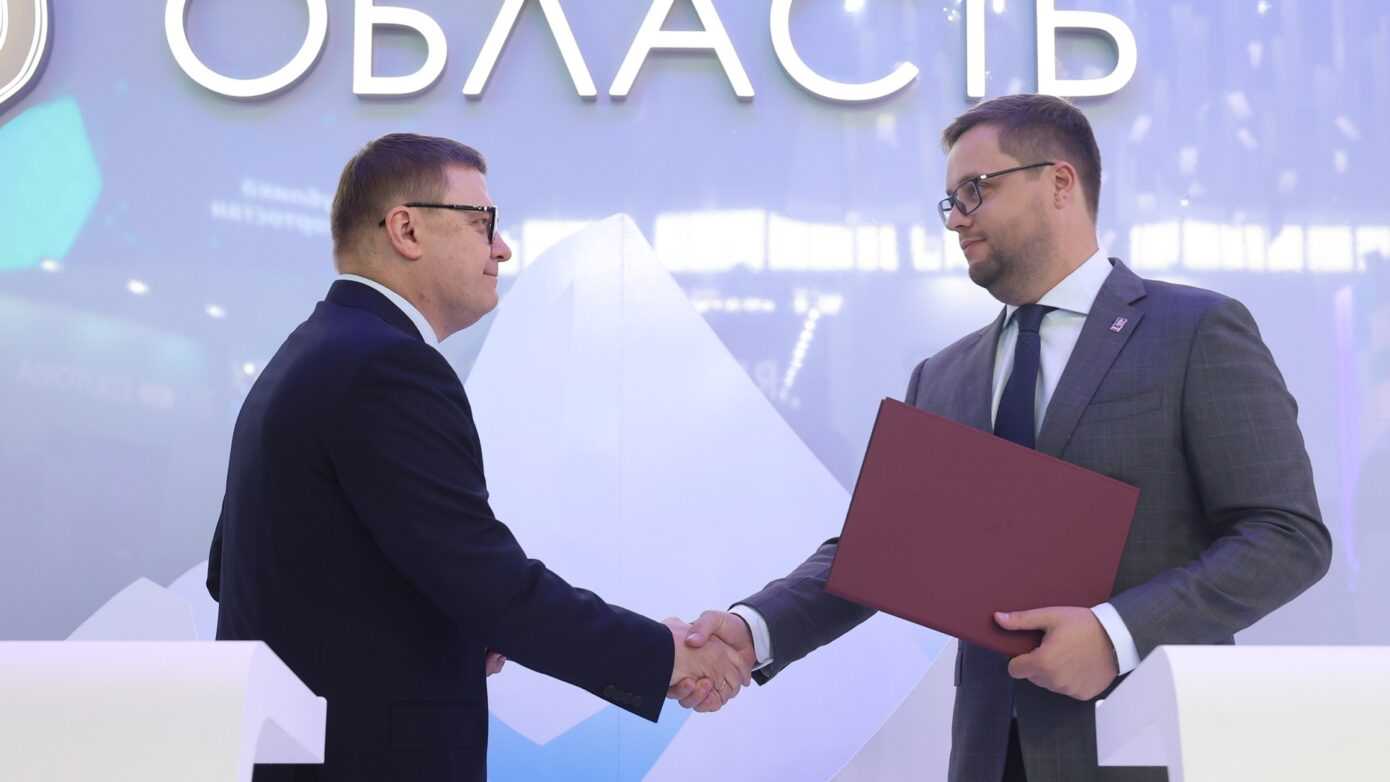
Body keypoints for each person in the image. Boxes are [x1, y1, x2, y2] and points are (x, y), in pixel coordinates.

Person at [671, 94, 1332, 782]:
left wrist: (1118, 633)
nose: (956, 218)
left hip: (1148, 743)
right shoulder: (944, 376)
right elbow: (880, 549)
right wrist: (751, 631)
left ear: (1060, 183)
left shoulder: (1194, 331)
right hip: (988, 756)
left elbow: (1287, 536)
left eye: (975, 190)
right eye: (950, 201)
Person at [207, 133, 750, 782]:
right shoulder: (386, 366)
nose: (502, 248)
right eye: (481, 223)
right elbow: (488, 583)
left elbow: (239, 572)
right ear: (407, 230)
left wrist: (456, 626)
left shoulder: (310, 352)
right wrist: (666, 656)